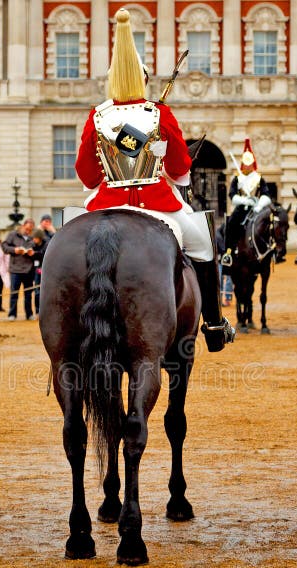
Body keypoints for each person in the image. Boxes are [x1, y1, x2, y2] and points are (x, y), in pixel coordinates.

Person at [74, 8, 233, 352]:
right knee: (204, 245)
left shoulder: (98, 116)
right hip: (157, 204)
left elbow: (86, 173)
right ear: (144, 81)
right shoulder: (157, 113)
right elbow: (180, 167)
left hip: (105, 205)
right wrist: (157, 155)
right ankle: (215, 324)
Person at [2, 219, 37, 320]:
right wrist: (14, 250)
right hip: (15, 270)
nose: (28, 231)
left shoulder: (33, 237)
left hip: (29, 270)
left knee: (28, 294)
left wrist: (32, 253)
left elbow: (40, 249)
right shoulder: (13, 234)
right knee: (14, 293)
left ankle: (29, 314)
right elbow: (4, 246)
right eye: (26, 229)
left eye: (30, 230)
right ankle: (12, 314)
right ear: (23, 226)